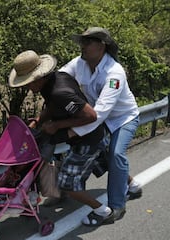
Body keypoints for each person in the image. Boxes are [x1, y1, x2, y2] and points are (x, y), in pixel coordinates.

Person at [8, 50, 113, 226]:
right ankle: (127, 183)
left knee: (68, 184)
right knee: (84, 166)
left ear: (38, 78)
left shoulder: (59, 91)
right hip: (81, 137)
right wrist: (40, 120)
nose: (27, 88)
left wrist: (56, 125)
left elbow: (91, 116)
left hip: (88, 139)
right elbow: (52, 106)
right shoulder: (52, 83)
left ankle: (103, 211)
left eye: (27, 84)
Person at [59, 26, 141, 223]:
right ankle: (133, 185)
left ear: (101, 46)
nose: (83, 46)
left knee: (115, 153)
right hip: (97, 117)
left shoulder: (114, 73)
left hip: (122, 118)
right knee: (100, 150)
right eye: (82, 42)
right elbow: (60, 77)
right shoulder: (80, 63)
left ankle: (117, 206)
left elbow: (101, 112)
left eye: (88, 42)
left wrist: (72, 131)